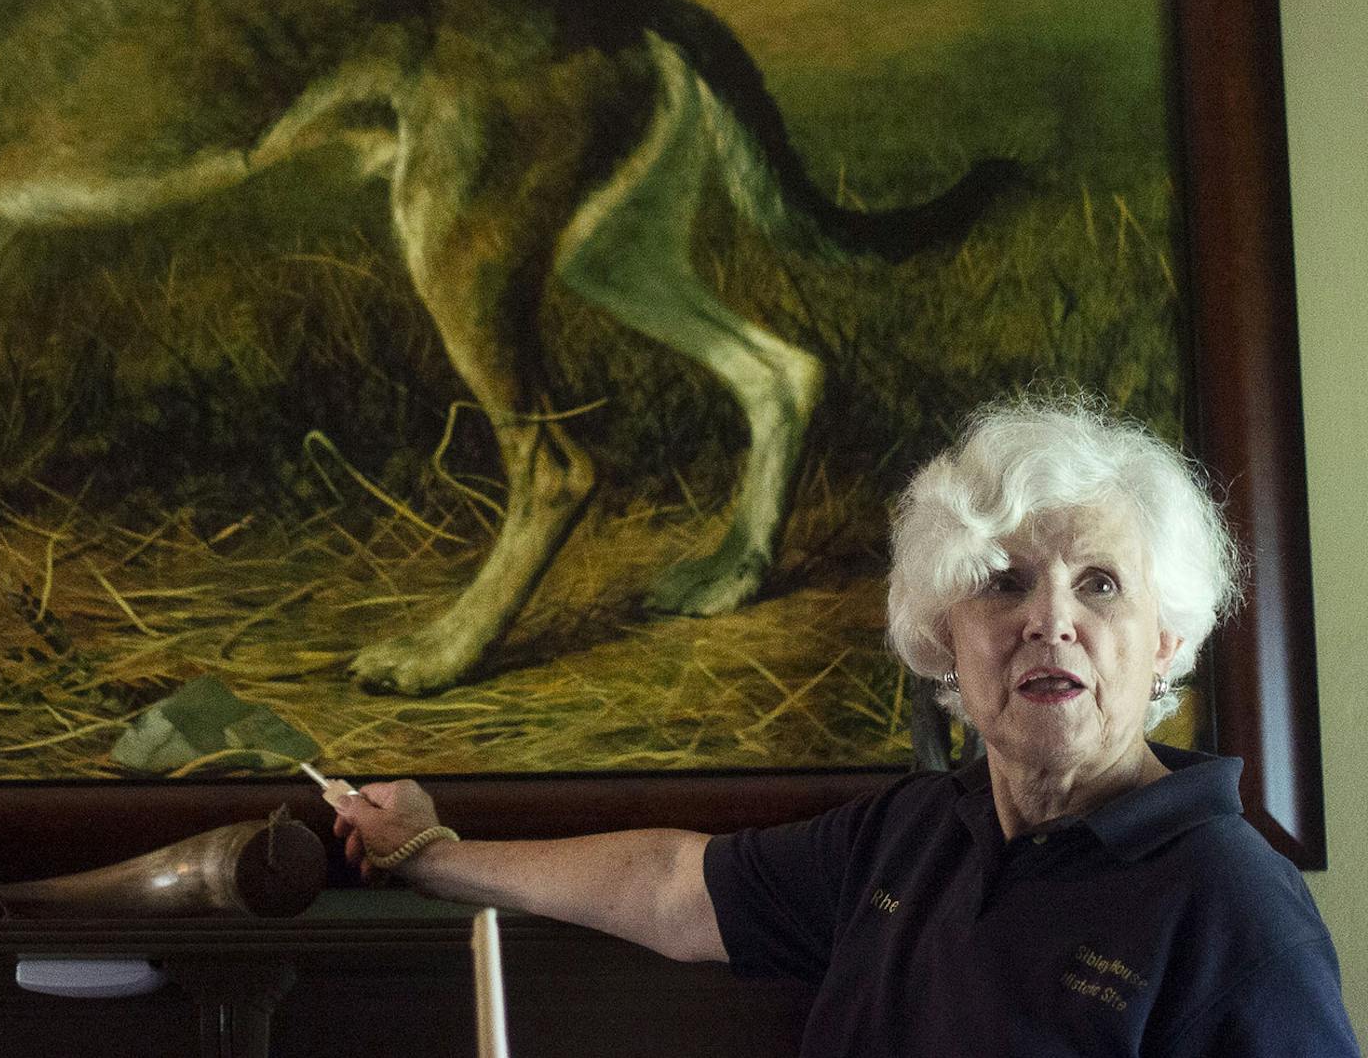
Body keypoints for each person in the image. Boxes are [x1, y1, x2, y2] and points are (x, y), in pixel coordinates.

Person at [334, 394, 1359, 1056]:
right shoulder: (907, 835)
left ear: (1166, 639)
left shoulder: (1232, 901)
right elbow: (663, 883)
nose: (1051, 618)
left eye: (1099, 583)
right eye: (1004, 582)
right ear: (940, 632)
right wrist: (432, 853)